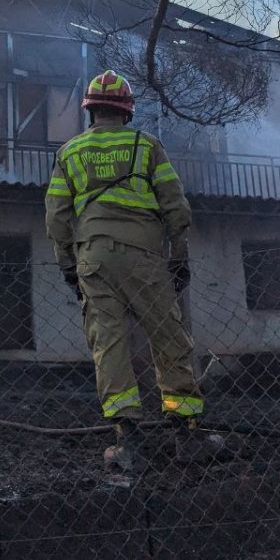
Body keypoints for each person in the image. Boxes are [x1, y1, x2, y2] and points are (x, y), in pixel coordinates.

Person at [45, 70, 218, 471]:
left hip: (94, 260)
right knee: (167, 337)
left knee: (109, 344)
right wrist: (179, 255)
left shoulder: (69, 152)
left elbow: (55, 217)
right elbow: (176, 207)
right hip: (144, 257)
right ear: (127, 111)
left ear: (90, 111)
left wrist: (68, 265)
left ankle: (126, 441)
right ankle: (185, 431)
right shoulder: (145, 145)